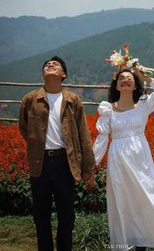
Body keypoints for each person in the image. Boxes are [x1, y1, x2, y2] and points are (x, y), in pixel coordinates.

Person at [19, 56, 97, 251]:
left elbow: (83, 136)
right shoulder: (30, 99)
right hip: (40, 164)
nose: (50, 65)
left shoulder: (73, 100)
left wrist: (88, 169)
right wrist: (36, 146)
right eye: (47, 65)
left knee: (67, 214)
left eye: (55, 65)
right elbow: (24, 128)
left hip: (65, 163)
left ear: (63, 74)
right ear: (43, 74)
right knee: (41, 214)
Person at [93, 67, 154, 251]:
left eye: (130, 78)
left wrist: (147, 78)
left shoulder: (144, 104)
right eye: (121, 78)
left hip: (140, 159)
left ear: (136, 84)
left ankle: (142, 245)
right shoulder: (108, 110)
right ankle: (124, 245)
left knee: (145, 200)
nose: (126, 80)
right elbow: (102, 138)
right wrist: (92, 163)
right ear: (117, 85)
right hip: (118, 159)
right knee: (122, 203)